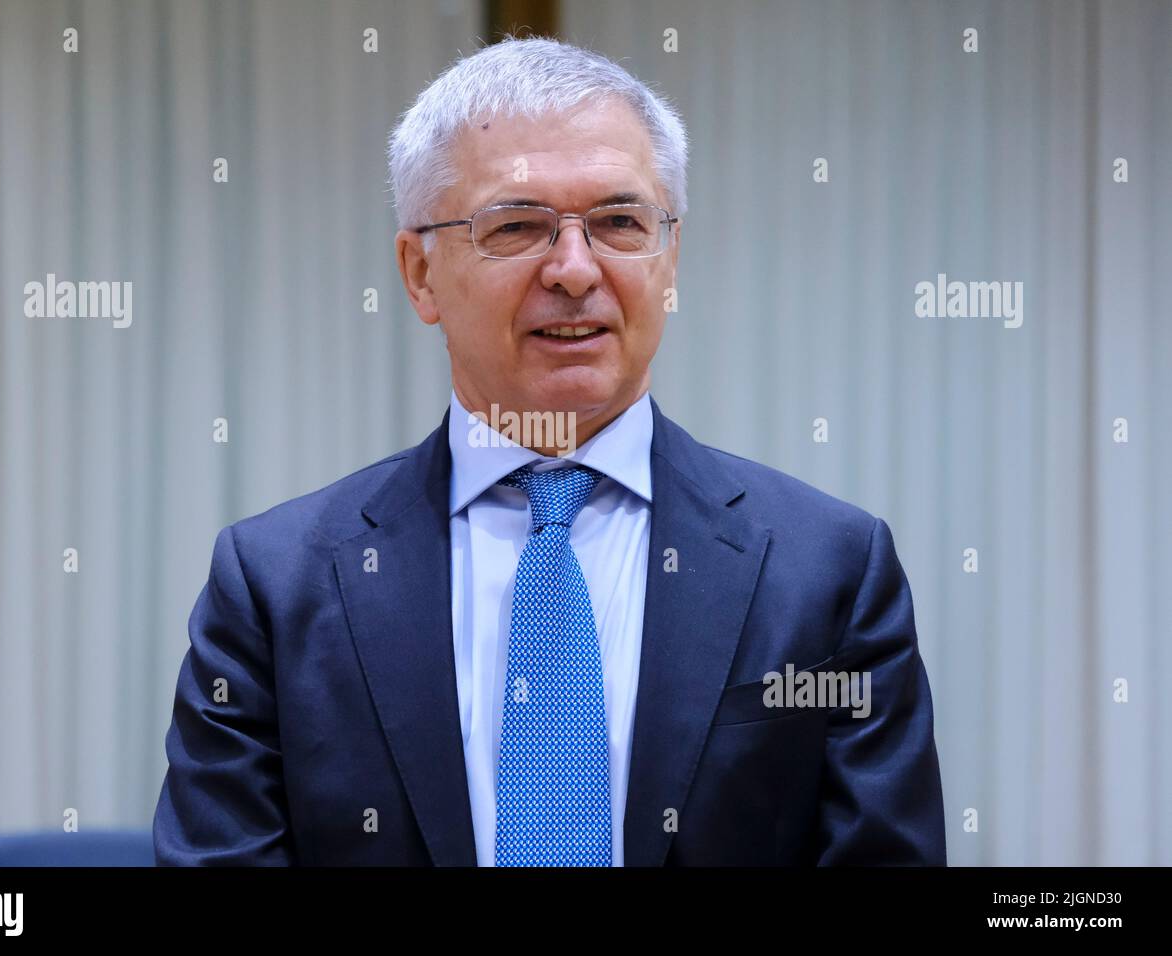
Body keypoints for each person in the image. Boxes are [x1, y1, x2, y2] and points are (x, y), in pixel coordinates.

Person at [154, 35, 945, 866]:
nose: (575, 269)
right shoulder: (276, 586)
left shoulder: (827, 572)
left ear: (670, 257)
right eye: (518, 226)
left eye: (619, 222)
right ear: (419, 273)